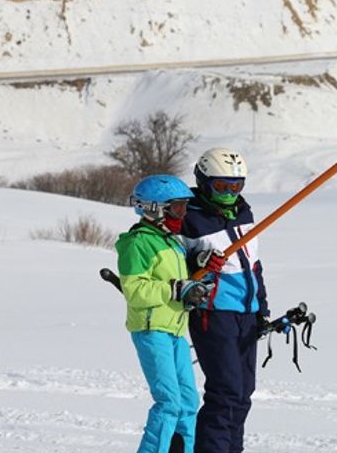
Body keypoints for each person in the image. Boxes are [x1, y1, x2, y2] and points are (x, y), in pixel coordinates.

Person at [115, 174, 213, 453]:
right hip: (151, 330)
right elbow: (134, 290)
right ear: (154, 208)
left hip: (175, 329)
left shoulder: (172, 242)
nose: (182, 214)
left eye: (184, 207)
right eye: (178, 207)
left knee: (188, 402)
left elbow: (179, 284)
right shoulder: (138, 243)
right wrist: (178, 289)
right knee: (168, 402)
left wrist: (197, 278)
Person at [181, 148, 270, 453]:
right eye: (222, 187)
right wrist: (198, 261)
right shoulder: (190, 218)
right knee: (225, 392)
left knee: (244, 392)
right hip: (213, 312)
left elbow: (254, 266)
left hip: (246, 312)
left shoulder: (245, 214)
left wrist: (262, 309)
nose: (230, 193)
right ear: (204, 182)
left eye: (236, 186)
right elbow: (175, 264)